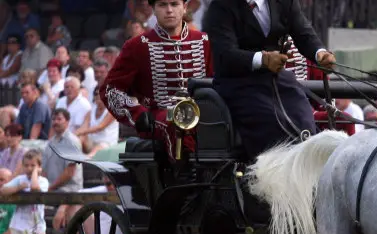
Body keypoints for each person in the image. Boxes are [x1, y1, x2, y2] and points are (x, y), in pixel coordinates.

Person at [203, 0, 336, 160]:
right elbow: (225, 53)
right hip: (238, 84)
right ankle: (269, 174)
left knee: (304, 119)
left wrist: (319, 53)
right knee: (273, 125)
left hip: (278, 80)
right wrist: (262, 59)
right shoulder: (221, 6)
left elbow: (304, 34)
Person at [100, 0, 213, 172]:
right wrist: (139, 115)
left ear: (184, 7)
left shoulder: (204, 41)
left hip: (203, 115)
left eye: (174, 4)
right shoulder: (137, 46)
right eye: (162, 5)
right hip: (159, 119)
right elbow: (110, 90)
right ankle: (183, 176)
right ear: (153, 9)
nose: (169, 10)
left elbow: (219, 82)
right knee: (174, 125)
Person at [0, 149, 48, 234]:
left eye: (32, 165)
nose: (28, 168)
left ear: (39, 167)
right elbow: (3, 190)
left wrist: (34, 174)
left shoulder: (43, 181)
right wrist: (19, 187)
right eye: (26, 165)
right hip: (19, 226)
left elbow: (34, 188)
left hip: (37, 227)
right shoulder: (19, 180)